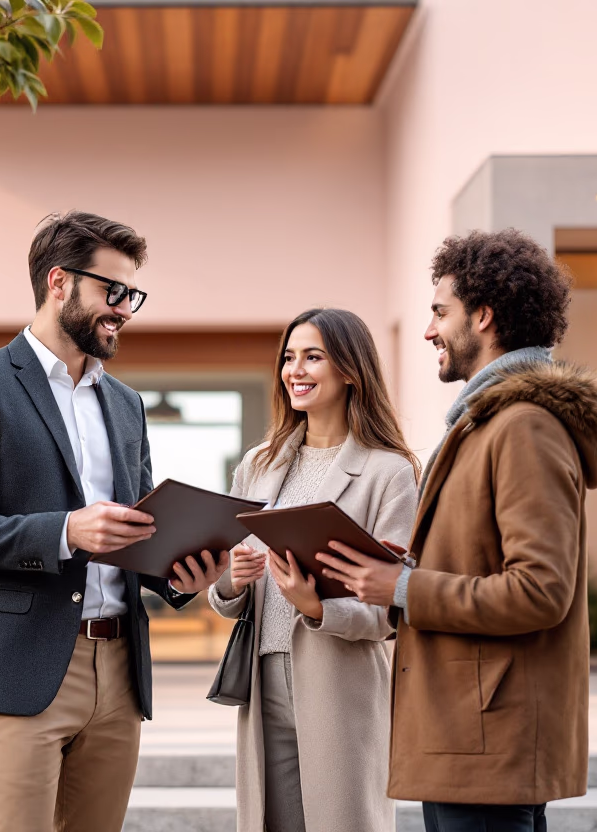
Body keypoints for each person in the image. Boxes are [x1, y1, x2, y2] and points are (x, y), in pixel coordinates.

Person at [0, 210, 228, 832]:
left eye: (132, 295)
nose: (125, 310)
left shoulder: (125, 402)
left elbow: (139, 528)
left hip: (118, 673)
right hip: (21, 667)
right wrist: (66, 531)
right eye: (112, 292)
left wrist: (182, 575)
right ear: (59, 283)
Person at [319, 229, 597, 832]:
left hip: (489, 735)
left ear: (483, 317)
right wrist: (403, 568)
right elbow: (480, 561)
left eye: (440, 313)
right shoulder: (486, 423)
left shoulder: (524, 427)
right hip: (469, 730)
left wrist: (402, 589)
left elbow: (540, 589)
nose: (431, 331)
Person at [208, 308, 420, 832]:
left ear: (350, 370)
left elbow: (393, 609)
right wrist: (232, 578)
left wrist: (318, 607)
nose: (295, 370)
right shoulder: (258, 465)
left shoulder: (389, 473)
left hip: (340, 682)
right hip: (263, 682)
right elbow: (223, 586)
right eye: (288, 357)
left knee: (343, 822)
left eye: (312, 357)